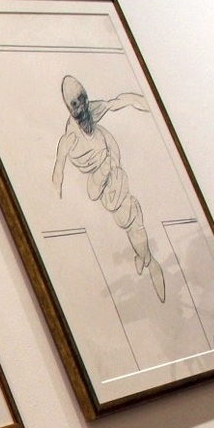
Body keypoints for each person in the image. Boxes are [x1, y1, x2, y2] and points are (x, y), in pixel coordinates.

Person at [51, 75, 166, 301]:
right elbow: (58, 169)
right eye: (75, 104)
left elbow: (122, 101)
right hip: (99, 178)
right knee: (118, 206)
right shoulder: (70, 139)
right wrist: (56, 204)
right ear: (69, 108)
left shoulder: (94, 111)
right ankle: (145, 257)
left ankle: (145, 257)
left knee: (130, 210)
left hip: (110, 160)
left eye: (83, 99)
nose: (82, 106)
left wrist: (153, 106)